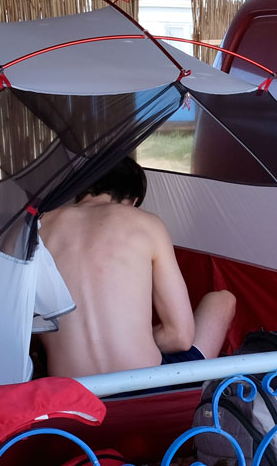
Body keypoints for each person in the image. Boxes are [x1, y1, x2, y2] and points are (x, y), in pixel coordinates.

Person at [37, 157, 235, 379]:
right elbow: (180, 336)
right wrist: (134, 339)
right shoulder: (146, 223)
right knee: (223, 300)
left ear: (80, 190)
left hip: (72, 396)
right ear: (133, 200)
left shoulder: (35, 229)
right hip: (146, 389)